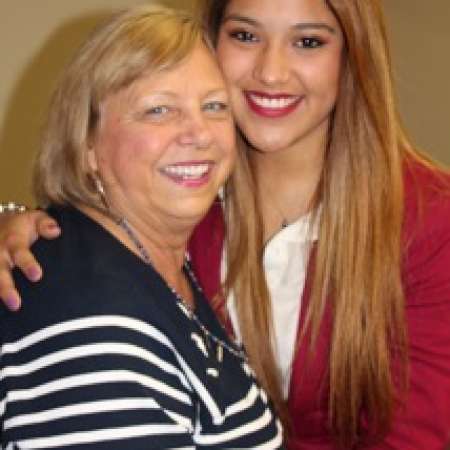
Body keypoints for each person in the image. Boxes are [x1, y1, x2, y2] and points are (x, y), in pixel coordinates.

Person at [1, 0, 450, 449]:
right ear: (212, 44)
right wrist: (17, 221)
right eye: (245, 36)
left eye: (308, 42)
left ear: (353, 58)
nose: (272, 72)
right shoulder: (182, 203)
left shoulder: (429, 220)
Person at [0, 4, 285, 449]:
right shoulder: (91, 317)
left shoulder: (158, 264)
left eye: (214, 106)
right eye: (158, 110)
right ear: (86, 144)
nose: (200, 133)